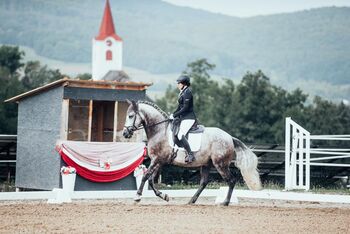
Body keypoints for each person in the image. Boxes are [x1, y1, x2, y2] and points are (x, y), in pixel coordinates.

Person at [169, 74, 197, 163]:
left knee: (180, 134)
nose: (178, 85)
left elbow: (185, 108)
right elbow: (179, 107)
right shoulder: (182, 92)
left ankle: (190, 154)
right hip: (183, 118)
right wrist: (173, 114)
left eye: (179, 83)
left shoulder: (187, 92)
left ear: (184, 84)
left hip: (189, 118)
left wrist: (175, 115)